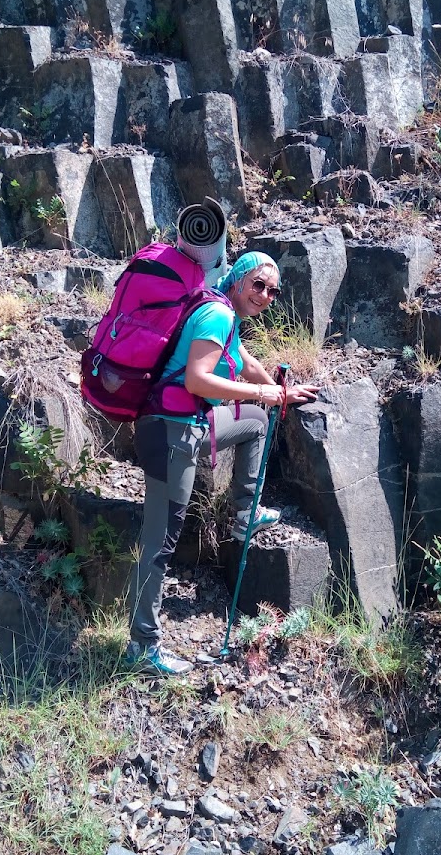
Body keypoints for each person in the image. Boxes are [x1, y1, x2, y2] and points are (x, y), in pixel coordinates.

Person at [125, 251, 317, 675]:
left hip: (188, 425)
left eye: (273, 290)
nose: (265, 295)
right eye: (258, 285)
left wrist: (279, 392)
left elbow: (246, 363)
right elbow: (197, 379)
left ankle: (244, 512)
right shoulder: (216, 313)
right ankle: (143, 647)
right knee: (160, 543)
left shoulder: (224, 311)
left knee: (255, 421)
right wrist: (261, 395)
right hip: (170, 433)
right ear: (237, 279)